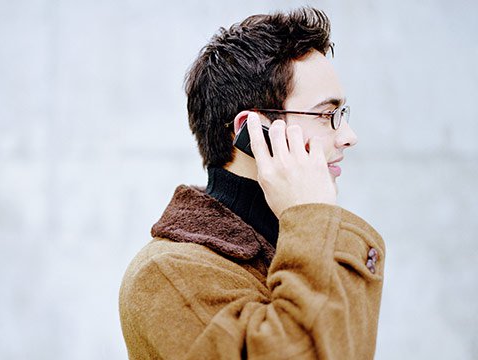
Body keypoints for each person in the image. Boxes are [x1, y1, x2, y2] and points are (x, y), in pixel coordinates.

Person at [119, 7, 385, 360]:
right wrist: (311, 214)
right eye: (325, 115)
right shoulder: (166, 273)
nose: (348, 136)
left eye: (342, 115)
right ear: (251, 130)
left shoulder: (297, 242)